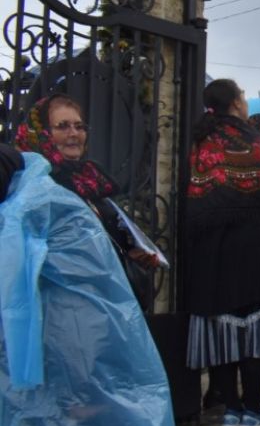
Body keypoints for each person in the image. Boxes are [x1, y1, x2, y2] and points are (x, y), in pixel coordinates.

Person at [1, 144, 189, 426]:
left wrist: (88, 390)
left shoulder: (43, 216)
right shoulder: (31, 211)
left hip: (70, 380)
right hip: (46, 387)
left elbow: (86, 314)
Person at [185, 79, 260, 426]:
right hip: (255, 245)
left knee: (223, 328)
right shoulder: (253, 140)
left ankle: (230, 408)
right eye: (242, 95)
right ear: (235, 102)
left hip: (213, 247)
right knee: (254, 328)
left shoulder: (201, 140)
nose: (245, 100)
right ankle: (253, 407)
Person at [15, 94, 159, 307]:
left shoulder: (90, 180)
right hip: (61, 303)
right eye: (63, 126)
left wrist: (131, 253)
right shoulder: (36, 184)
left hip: (103, 301)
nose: (74, 133)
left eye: (79, 126)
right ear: (41, 134)